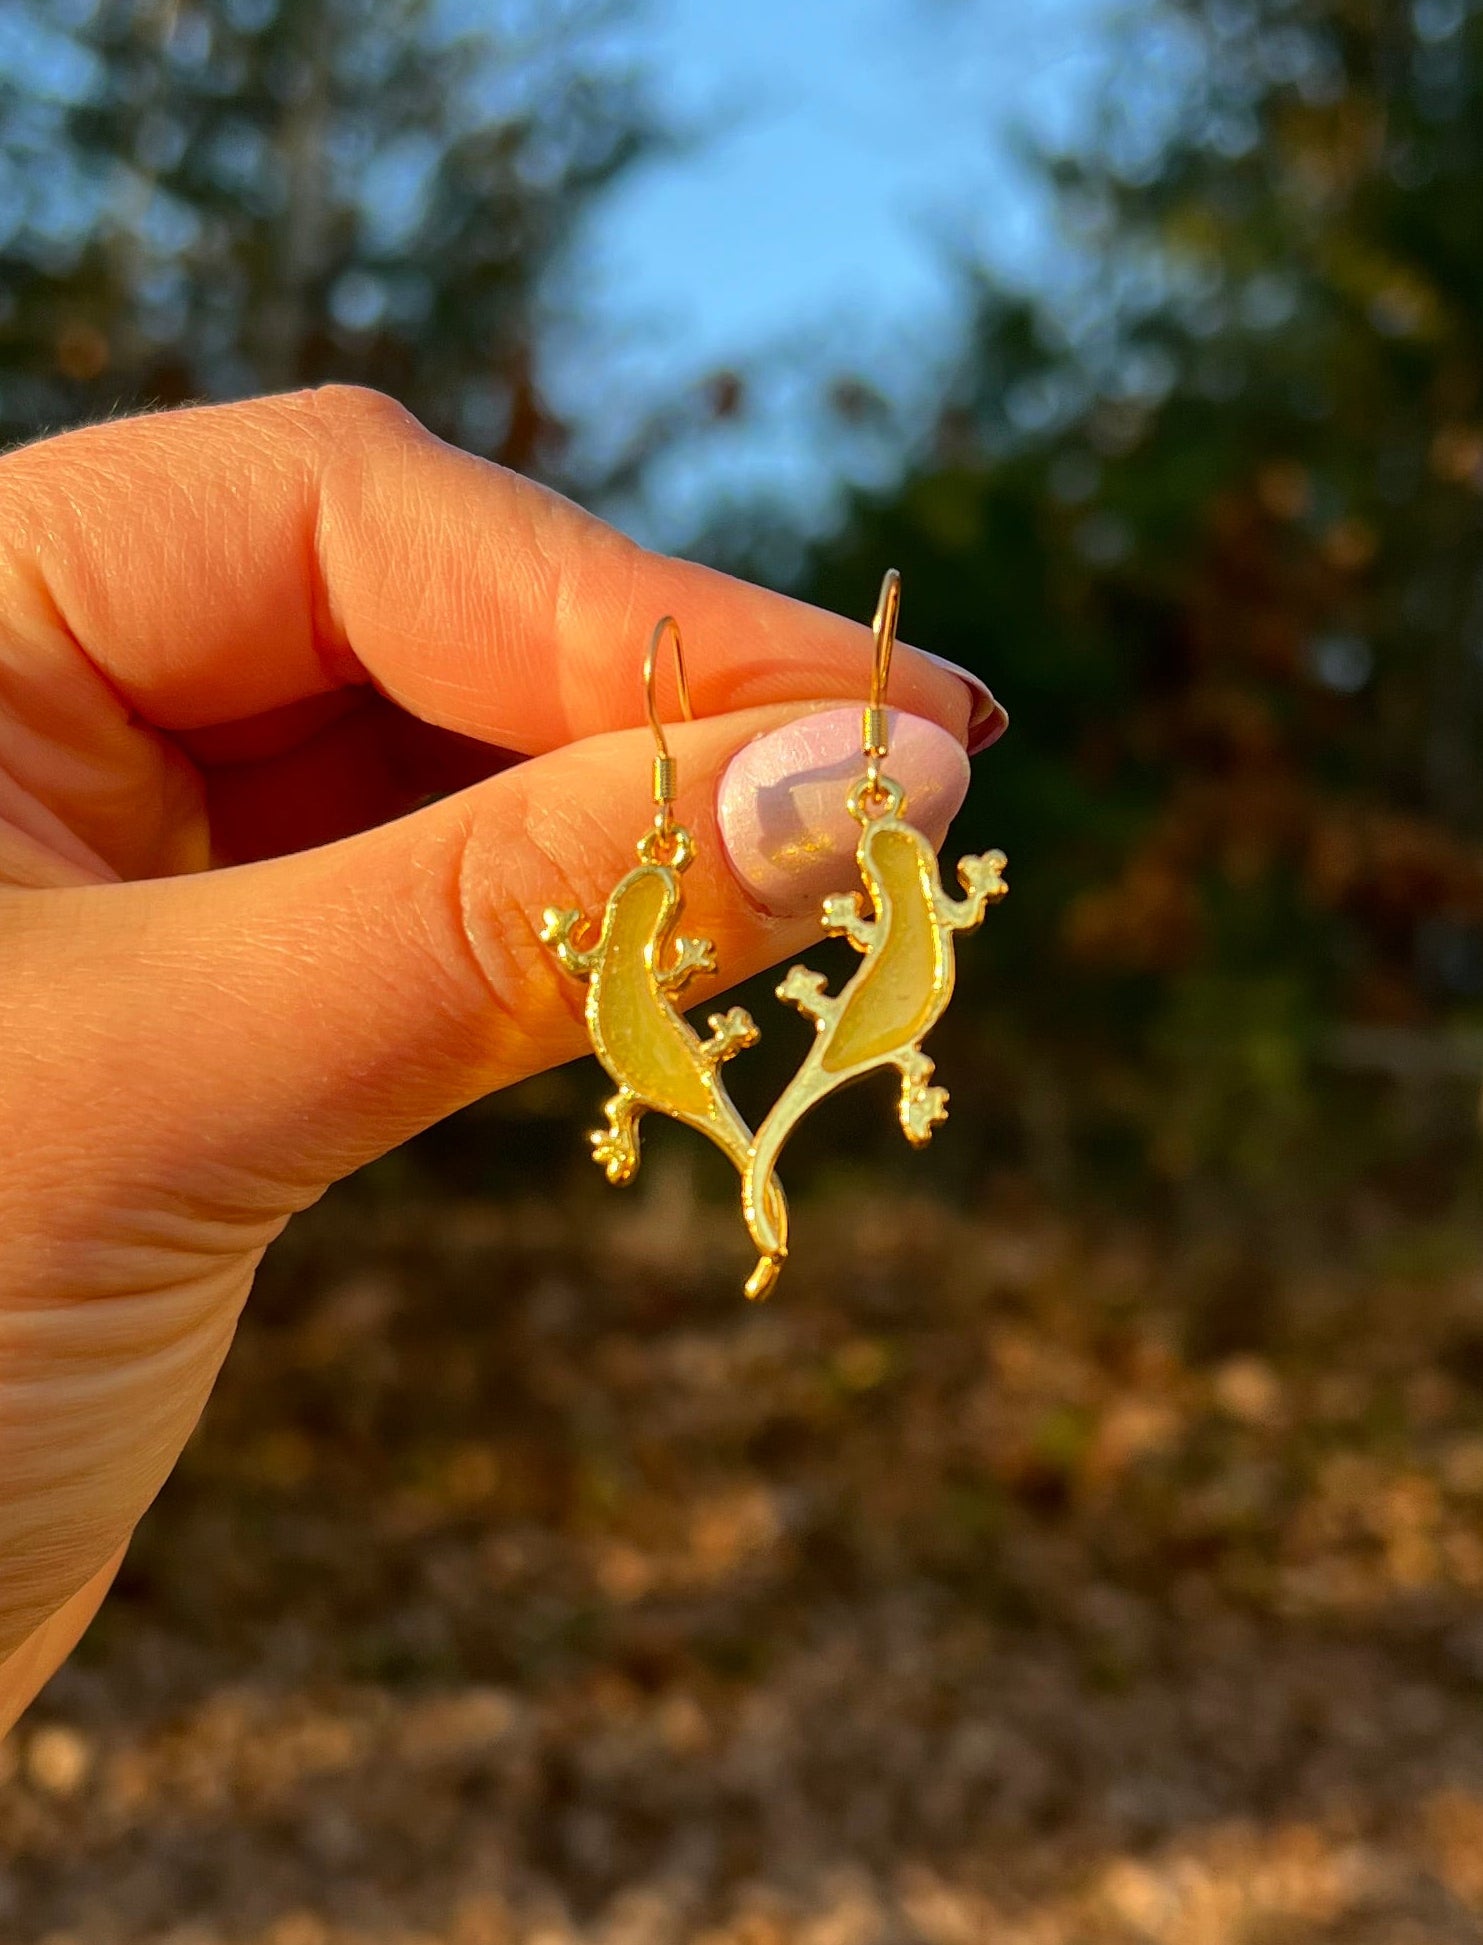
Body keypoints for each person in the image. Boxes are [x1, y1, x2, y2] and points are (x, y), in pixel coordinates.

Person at [0, 387, 1003, 1734]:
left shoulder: (888, 887)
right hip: (704, 1023)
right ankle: (746, 1168)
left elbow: (930, 905)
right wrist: (529, 928)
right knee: (724, 1073)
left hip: (803, 1016)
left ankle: (755, 1165)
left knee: (786, 1069)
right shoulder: (687, 906)